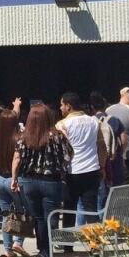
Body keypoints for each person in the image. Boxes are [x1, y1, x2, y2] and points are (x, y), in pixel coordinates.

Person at [11, 104, 73, 257]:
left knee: (38, 218)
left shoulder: (24, 137)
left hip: (29, 181)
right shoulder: (57, 136)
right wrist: (61, 166)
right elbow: (69, 155)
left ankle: (43, 250)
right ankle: (47, 251)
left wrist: (14, 178)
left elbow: (17, 158)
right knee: (51, 216)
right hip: (51, 180)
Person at [56, 92, 103, 231]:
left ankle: (67, 244)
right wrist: (102, 166)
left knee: (69, 209)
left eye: (62, 105)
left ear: (68, 106)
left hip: (72, 171)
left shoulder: (62, 124)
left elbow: (61, 150)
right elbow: (102, 147)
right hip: (92, 169)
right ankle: (95, 243)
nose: (60, 108)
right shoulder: (94, 121)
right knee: (91, 208)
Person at [0, 109, 28, 257]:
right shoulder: (19, 138)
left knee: (6, 214)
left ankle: (8, 249)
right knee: (21, 212)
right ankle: (18, 242)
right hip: (15, 178)